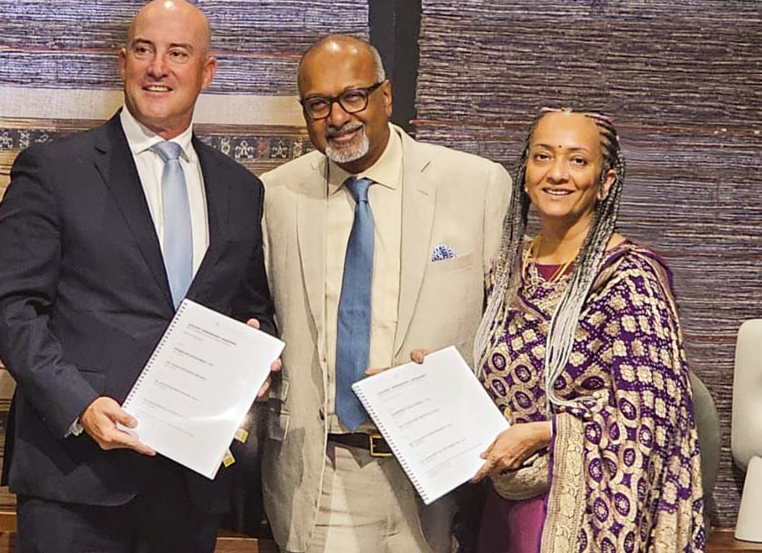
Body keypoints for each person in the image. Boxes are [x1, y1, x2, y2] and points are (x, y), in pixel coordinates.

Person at [0, 0, 275, 553]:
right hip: (75, 479)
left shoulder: (241, 189)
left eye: (178, 53)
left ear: (207, 72)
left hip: (189, 484)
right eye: (144, 50)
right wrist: (80, 405)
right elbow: (11, 309)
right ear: (123, 61)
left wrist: (255, 361)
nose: (157, 68)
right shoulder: (54, 169)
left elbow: (252, 307)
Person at [260, 35, 511, 553]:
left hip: (440, 476)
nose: (338, 117)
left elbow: (511, 331)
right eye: (318, 104)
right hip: (323, 474)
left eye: (354, 96)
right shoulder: (275, 195)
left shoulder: (477, 185)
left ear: (387, 96)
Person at [444, 107, 705, 552]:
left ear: (605, 182)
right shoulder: (507, 271)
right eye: (542, 156)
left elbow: (650, 415)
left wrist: (545, 433)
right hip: (498, 500)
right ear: (525, 172)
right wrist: (432, 378)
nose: (557, 173)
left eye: (577, 160)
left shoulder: (629, 279)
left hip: (582, 512)